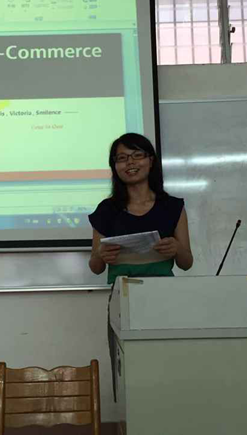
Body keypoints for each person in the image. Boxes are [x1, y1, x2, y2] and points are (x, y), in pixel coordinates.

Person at [88, 133, 193, 400]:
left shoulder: (172, 207)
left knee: (167, 364)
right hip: (123, 299)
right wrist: (101, 254)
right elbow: (95, 267)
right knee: (130, 371)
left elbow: (186, 263)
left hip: (164, 296)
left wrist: (176, 248)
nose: (130, 163)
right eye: (122, 158)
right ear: (114, 166)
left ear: (151, 161)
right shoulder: (107, 210)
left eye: (137, 155)